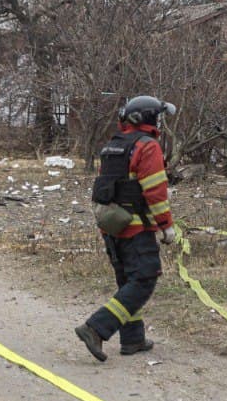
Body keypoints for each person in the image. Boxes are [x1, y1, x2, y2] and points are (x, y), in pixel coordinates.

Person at [75, 96, 177, 361]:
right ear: (147, 118)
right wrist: (166, 226)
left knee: (127, 282)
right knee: (143, 280)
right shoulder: (148, 146)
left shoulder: (114, 145)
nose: (160, 122)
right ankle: (96, 328)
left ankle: (133, 339)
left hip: (111, 227)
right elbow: (155, 191)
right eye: (158, 117)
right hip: (136, 228)